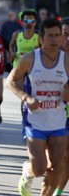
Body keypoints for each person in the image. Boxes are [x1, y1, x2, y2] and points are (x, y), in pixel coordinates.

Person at [6, 18, 69, 196]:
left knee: (56, 168)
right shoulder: (29, 59)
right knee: (40, 167)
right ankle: (27, 171)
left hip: (58, 121)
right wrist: (26, 98)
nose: (55, 40)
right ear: (41, 38)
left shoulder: (67, 60)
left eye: (57, 35)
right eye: (50, 36)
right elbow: (10, 81)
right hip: (35, 120)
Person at [9, 9, 40, 138]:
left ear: (35, 22)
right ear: (22, 22)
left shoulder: (39, 37)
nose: (28, 23)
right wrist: (11, 52)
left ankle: (33, 123)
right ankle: (25, 126)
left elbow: (44, 51)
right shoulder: (17, 35)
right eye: (26, 20)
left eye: (31, 20)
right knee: (25, 97)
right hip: (19, 69)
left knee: (32, 95)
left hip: (34, 70)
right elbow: (11, 45)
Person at [53, 16, 69, 196]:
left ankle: (58, 192)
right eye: (65, 34)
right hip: (50, 113)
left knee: (67, 156)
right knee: (49, 161)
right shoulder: (48, 56)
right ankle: (30, 172)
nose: (68, 39)